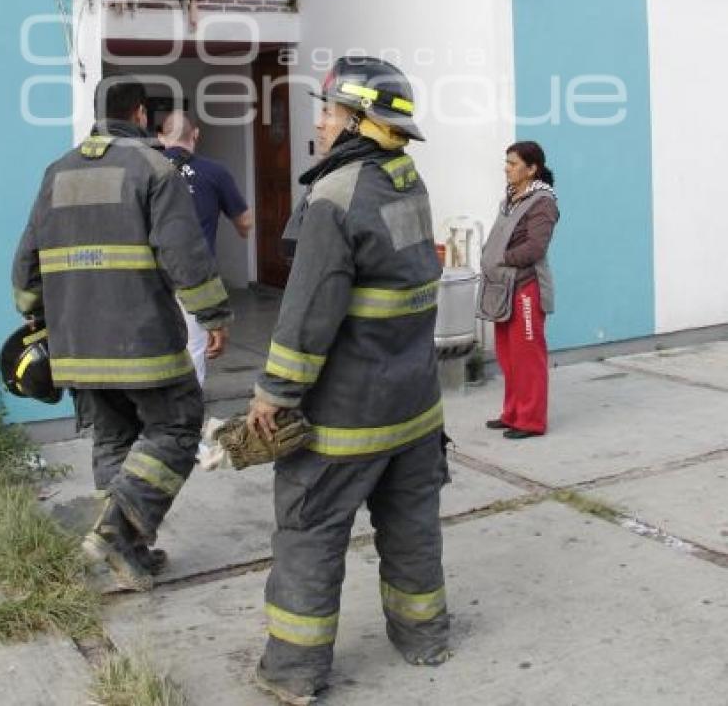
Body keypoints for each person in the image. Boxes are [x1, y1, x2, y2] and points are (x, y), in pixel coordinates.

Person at [246, 56, 451, 706]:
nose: (321, 121)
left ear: (362, 120)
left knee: (309, 533)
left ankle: (293, 672)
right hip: (415, 409)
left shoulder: (336, 196)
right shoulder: (405, 179)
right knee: (412, 525)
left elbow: (307, 313)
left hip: (345, 418)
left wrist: (274, 394)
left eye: (330, 110)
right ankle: (424, 637)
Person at [12, 78, 231, 592]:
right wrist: (214, 315)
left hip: (74, 343)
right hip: (142, 340)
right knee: (178, 427)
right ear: (138, 114)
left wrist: (37, 316)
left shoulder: (56, 172)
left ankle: (130, 552)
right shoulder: (153, 168)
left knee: (113, 439)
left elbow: (26, 267)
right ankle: (115, 530)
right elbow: (184, 253)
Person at [159, 109, 253, 384]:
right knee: (193, 351)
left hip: (151, 278)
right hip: (197, 281)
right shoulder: (215, 172)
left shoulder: (145, 169)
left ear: (160, 138)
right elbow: (245, 222)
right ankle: (190, 421)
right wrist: (242, 229)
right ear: (196, 135)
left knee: (153, 349)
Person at [482, 140, 559, 439]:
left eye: (513, 164)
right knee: (507, 354)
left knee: (528, 355)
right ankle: (512, 413)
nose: (507, 168)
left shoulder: (543, 202)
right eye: (507, 162)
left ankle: (531, 421)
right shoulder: (511, 198)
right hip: (504, 287)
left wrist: (501, 258)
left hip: (527, 287)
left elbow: (536, 247)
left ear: (531, 169)